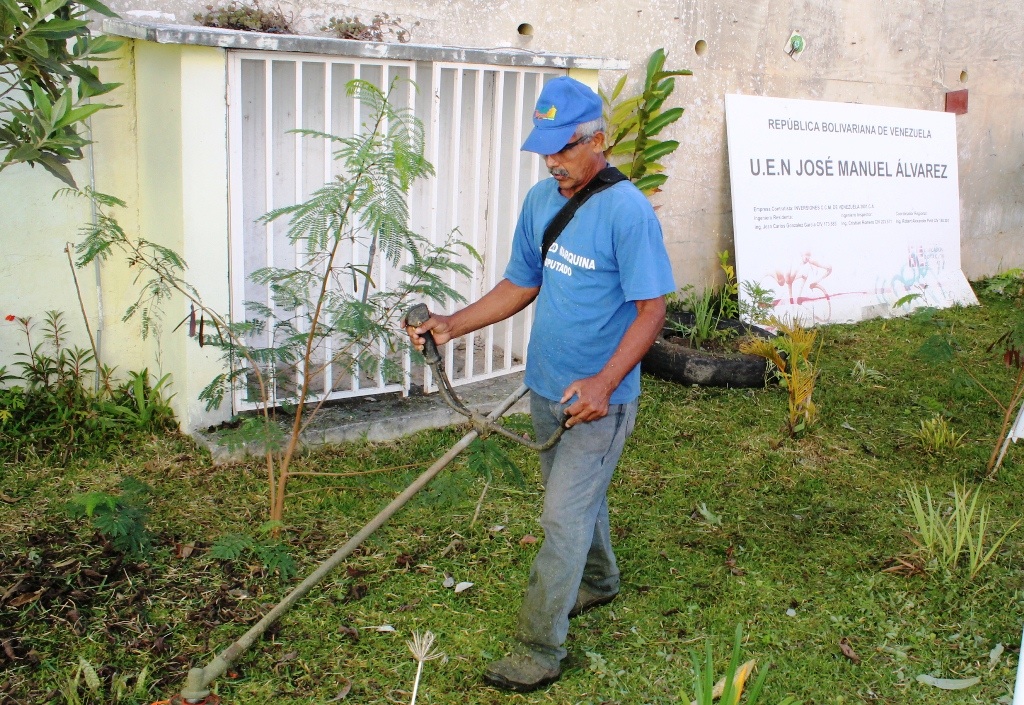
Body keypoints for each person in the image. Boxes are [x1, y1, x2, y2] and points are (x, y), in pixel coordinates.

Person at [406, 76, 675, 692]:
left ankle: (538, 648)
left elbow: (651, 312)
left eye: (564, 148)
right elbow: (520, 284)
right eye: (545, 148)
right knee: (576, 500)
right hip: (545, 387)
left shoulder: (627, 213)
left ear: (598, 141)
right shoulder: (540, 201)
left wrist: (606, 383)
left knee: (561, 518)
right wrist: (453, 324)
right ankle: (601, 581)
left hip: (598, 403)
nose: (553, 160)